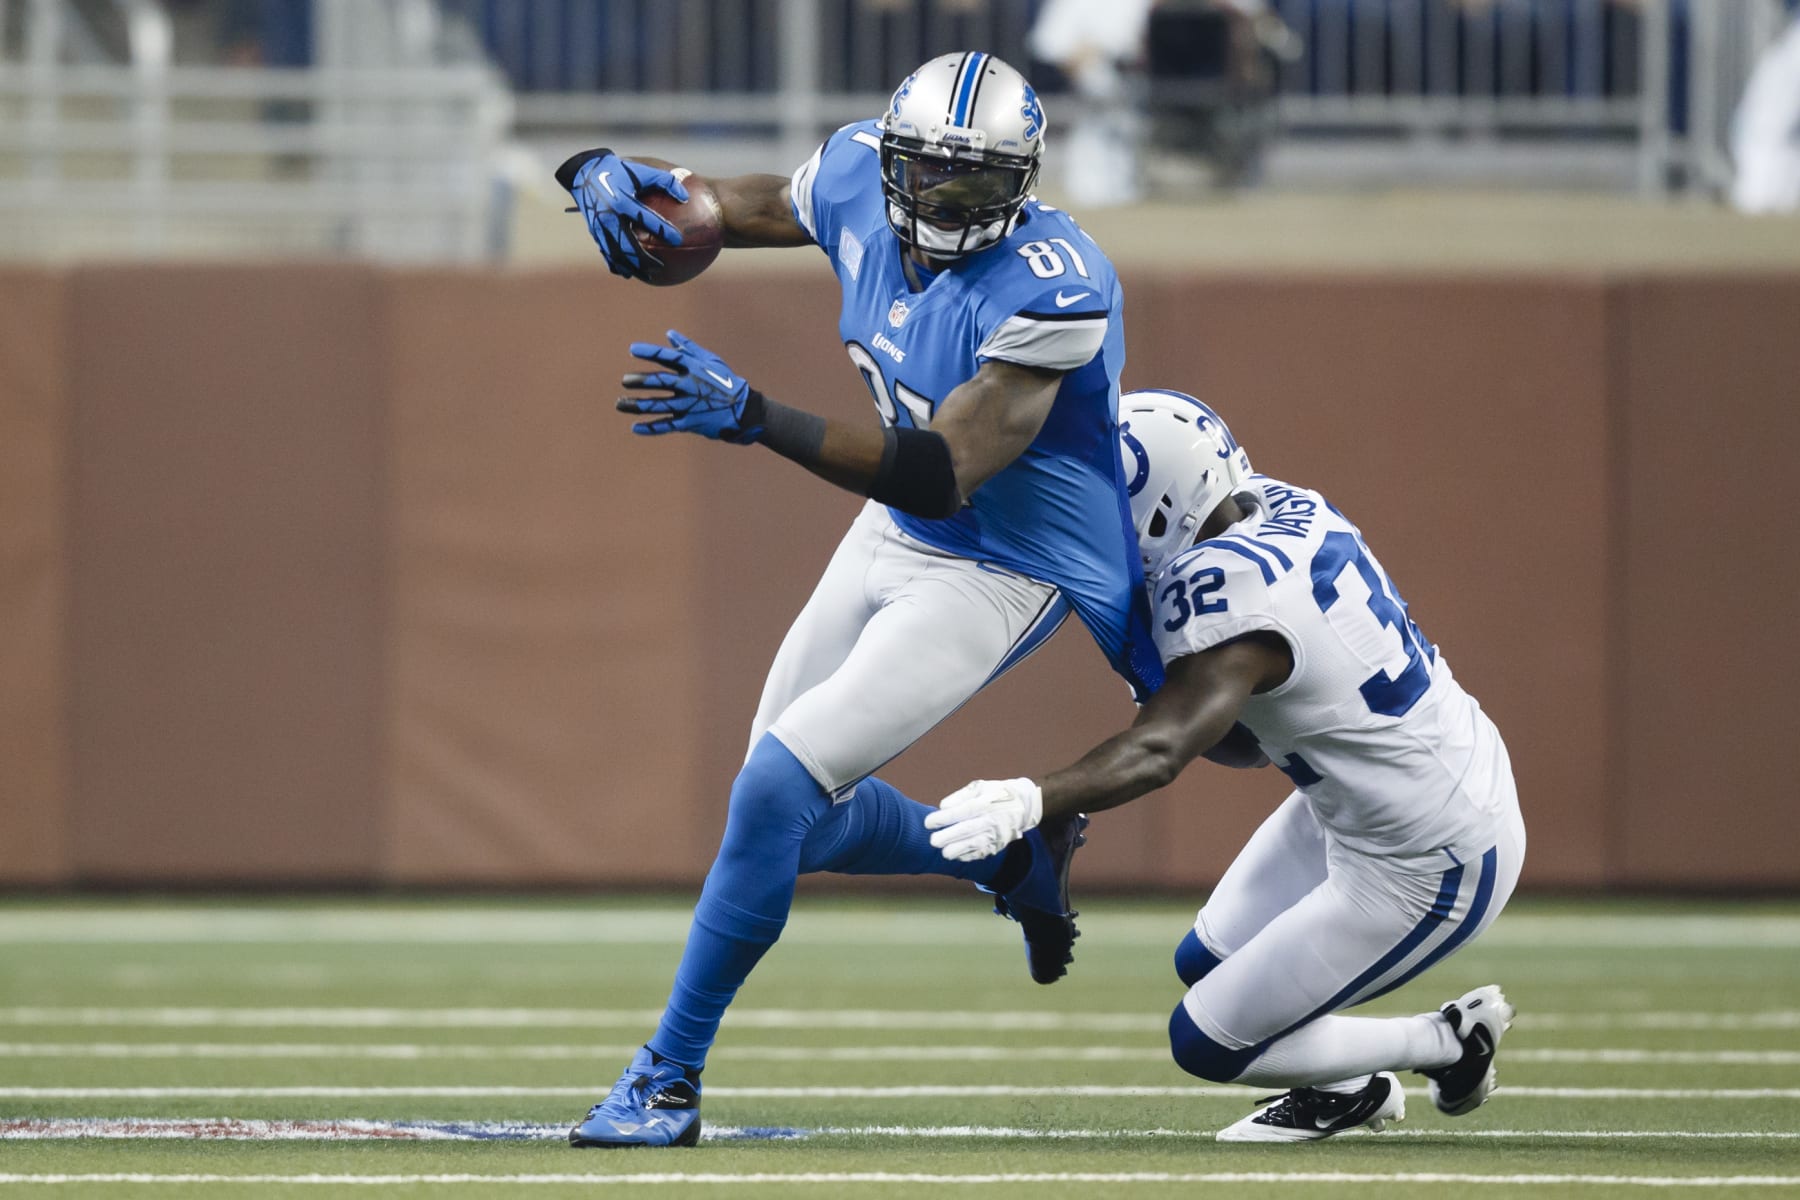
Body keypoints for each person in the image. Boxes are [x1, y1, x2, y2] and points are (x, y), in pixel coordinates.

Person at [554, 52, 1163, 1149]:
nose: (944, 204)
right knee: (782, 818)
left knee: (773, 796)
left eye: (976, 187)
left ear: (1022, 187)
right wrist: (631, 179)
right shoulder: (849, 174)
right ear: (891, 162)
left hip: (1005, 559)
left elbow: (942, 470)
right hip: (894, 529)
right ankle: (1012, 855)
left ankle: (667, 1080)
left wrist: (754, 416)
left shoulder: (1058, 282)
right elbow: (738, 207)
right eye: (928, 176)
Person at [926, 388, 1527, 1143]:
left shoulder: (1227, 596)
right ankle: (1347, 1089)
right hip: (1374, 794)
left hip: (1433, 854)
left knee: (1205, 1040)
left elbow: (1163, 748)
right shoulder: (1279, 506)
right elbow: (1243, 745)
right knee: (1205, 960)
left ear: (1161, 509)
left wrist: (1034, 798)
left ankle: (1444, 1045)